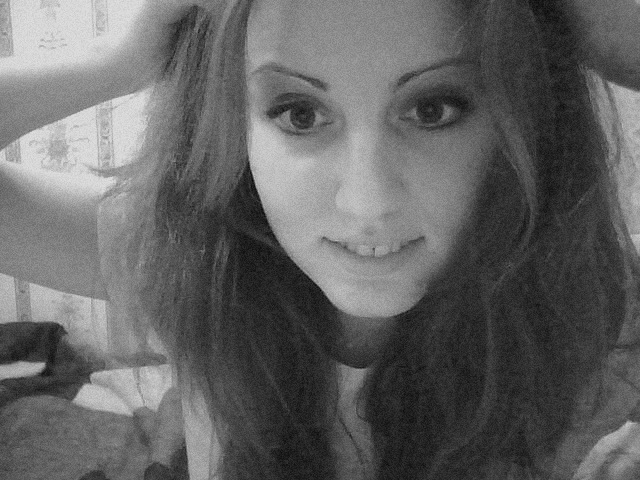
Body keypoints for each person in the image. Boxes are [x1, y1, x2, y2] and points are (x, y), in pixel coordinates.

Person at [2, 1, 640, 480]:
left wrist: (590, 25)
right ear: (235, 129)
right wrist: (115, 62)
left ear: (522, 119)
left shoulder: (595, 305)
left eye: (433, 109)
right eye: (300, 114)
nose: (367, 203)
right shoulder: (196, 256)